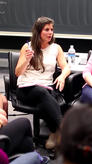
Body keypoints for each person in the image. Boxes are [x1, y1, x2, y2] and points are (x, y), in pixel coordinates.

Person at [15, 16, 71, 149]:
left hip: (45, 88)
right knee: (43, 93)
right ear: (38, 31)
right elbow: (17, 73)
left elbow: (66, 67)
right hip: (26, 88)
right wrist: (26, 60)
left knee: (45, 96)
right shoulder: (27, 47)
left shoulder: (56, 48)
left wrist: (63, 76)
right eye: (46, 29)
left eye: (51, 29)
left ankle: (55, 133)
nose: (50, 32)